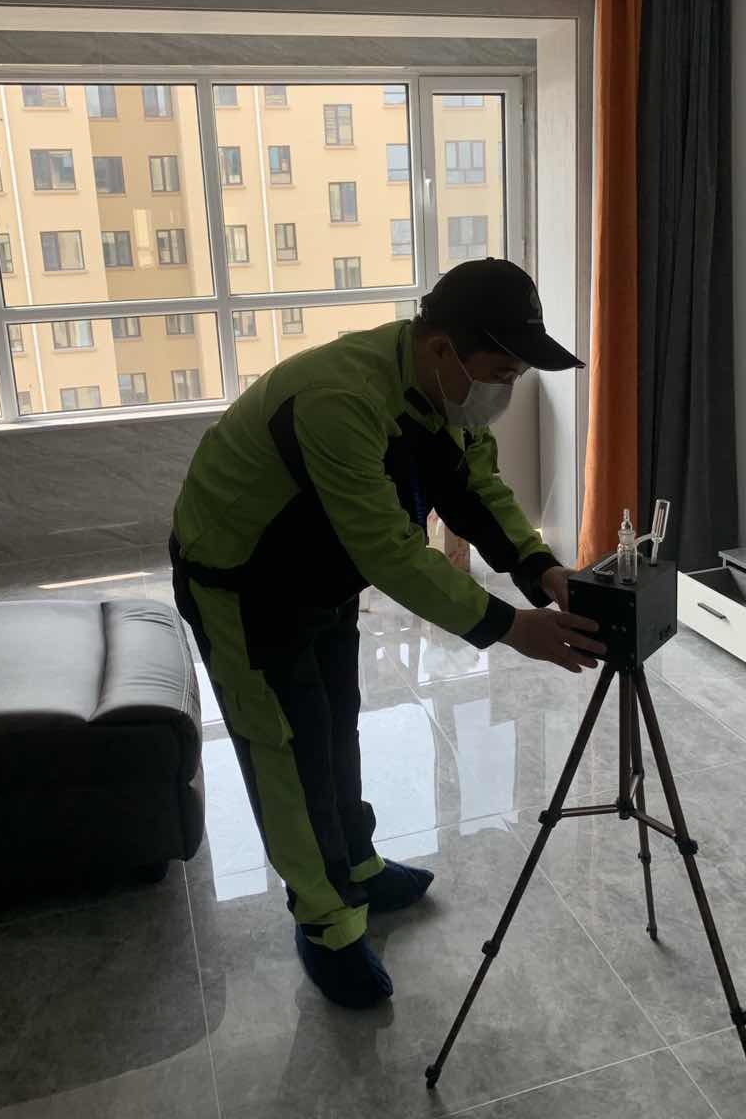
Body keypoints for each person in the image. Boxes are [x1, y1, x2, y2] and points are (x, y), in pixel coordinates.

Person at [170, 257, 604, 1010]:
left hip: (318, 572)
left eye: (516, 376)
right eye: (500, 372)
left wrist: (542, 569)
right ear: (442, 348)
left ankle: (357, 864)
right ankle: (326, 921)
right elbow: (391, 552)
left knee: (336, 721)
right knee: (286, 743)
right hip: (242, 579)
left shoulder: (441, 395)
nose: (506, 389)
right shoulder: (341, 399)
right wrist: (509, 626)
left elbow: (475, 488)